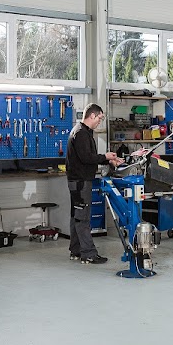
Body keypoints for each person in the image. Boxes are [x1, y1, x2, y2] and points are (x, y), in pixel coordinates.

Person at [65, 103, 123, 264]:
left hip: (78, 181)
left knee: (76, 216)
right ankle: (88, 253)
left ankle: (76, 250)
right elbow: (86, 158)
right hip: (80, 182)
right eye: (100, 118)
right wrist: (106, 157)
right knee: (82, 218)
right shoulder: (81, 133)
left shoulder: (83, 131)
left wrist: (107, 160)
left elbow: (88, 157)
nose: (100, 121)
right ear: (92, 115)